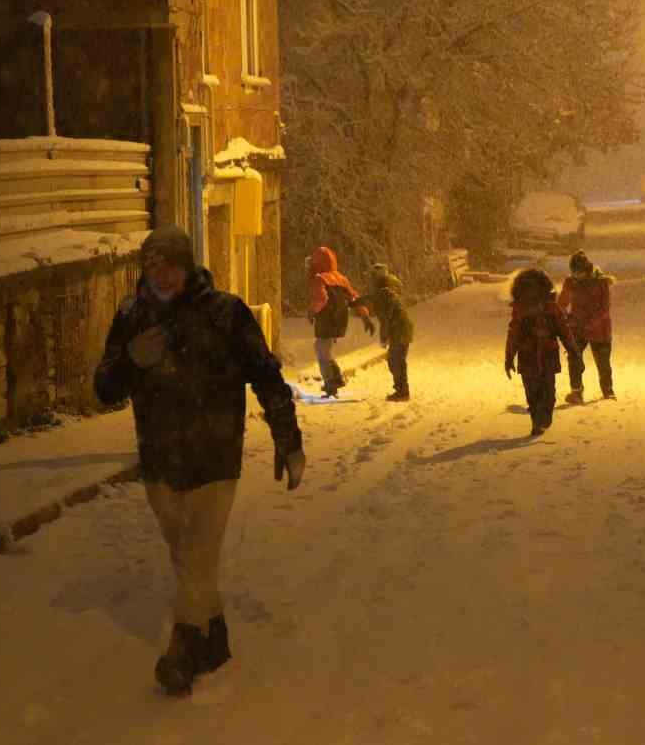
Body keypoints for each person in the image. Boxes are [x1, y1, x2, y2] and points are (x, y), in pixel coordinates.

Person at [94, 225, 305, 697]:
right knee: (188, 563)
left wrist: (288, 440)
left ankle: (181, 649)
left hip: (215, 457)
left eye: (170, 265)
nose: (162, 276)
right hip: (160, 462)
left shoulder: (225, 314)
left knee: (196, 556)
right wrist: (130, 360)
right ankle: (215, 639)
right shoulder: (131, 317)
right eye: (152, 267)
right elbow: (103, 389)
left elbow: (267, 377)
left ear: (187, 266)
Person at [504, 266, 580, 437]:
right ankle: (537, 421)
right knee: (534, 393)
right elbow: (514, 334)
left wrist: (573, 349)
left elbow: (563, 329)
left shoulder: (551, 308)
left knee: (546, 393)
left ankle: (542, 418)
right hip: (530, 357)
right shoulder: (521, 310)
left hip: (545, 356)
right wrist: (509, 358)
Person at [306, 246, 370, 397]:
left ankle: (331, 383)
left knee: (322, 350)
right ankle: (336, 379)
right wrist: (365, 315)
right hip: (340, 320)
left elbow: (321, 299)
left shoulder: (319, 278)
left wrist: (311, 311)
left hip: (326, 320)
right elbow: (353, 297)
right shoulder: (341, 279)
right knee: (324, 349)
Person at [558, 250, 616, 403]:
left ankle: (608, 391)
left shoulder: (601, 282)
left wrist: (589, 323)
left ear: (586, 270)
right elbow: (562, 303)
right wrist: (566, 317)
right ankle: (576, 391)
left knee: (603, 362)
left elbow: (604, 309)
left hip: (600, 329)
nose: (576, 276)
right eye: (573, 273)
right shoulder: (570, 282)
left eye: (579, 273)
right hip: (577, 328)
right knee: (574, 357)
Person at [354, 263, 413, 401]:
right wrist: (354, 302)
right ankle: (402, 390)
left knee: (395, 361)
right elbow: (371, 298)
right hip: (403, 328)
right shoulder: (388, 290)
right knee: (396, 360)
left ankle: (402, 392)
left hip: (398, 329)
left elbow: (385, 318)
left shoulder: (383, 293)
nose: (370, 280)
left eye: (372, 277)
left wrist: (383, 337)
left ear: (376, 278)